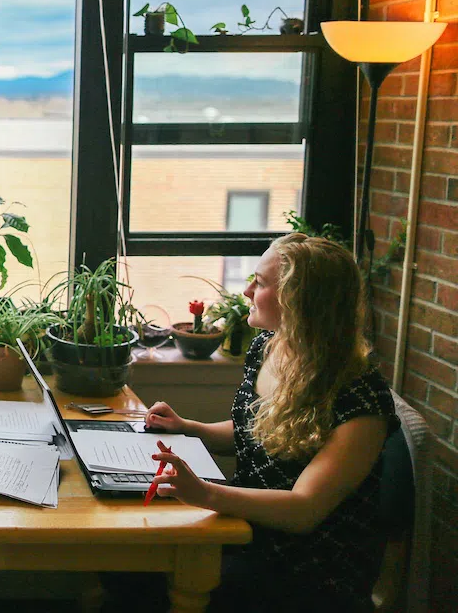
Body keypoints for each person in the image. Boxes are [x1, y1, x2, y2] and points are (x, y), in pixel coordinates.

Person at [131, 233, 398, 612]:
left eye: (261, 281)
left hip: (306, 570)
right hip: (245, 530)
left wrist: (205, 493)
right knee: (129, 564)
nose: (247, 291)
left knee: (144, 577)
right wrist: (189, 428)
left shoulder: (360, 398)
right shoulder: (269, 346)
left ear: (300, 300)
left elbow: (304, 510)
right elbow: (255, 434)